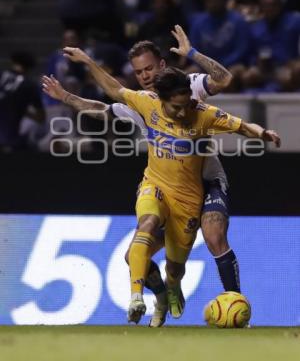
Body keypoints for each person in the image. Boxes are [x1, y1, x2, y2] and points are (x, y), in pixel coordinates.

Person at [61, 46, 281, 325]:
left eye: (149, 69)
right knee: (136, 251)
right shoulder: (142, 102)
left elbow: (225, 83)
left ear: (162, 65)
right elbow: (109, 99)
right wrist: (78, 79)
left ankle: (234, 303)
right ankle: (155, 295)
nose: (144, 76)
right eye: (139, 72)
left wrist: (192, 52)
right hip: (163, 184)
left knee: (212, 237)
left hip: (205, 182)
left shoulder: (192, 92)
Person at [0, 51, 45, 150]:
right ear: (30, 68)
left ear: (12, 61)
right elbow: (41, 117)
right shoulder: (29, 85)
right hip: (9, 140)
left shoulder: (1, 75)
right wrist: (23, 110)